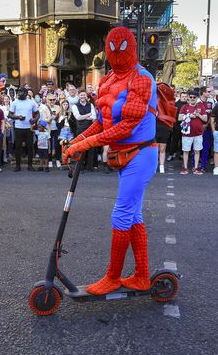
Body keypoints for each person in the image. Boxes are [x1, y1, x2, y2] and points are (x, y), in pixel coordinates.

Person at [63, 26, 158, 295]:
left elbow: (125, 127)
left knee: (121, 215)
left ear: (133, 47)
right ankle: (141, 275)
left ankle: (113, 277)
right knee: (133, 215)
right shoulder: (106, 81)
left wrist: (84, 144)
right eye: (112, 48)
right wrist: (74, 143)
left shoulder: (142, 79)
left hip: (141, 154)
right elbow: (102, 123)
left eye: (122, 48)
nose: (116, 54)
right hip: (122, 155)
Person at [8, 87, 38, 172]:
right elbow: (9, 115)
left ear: (26, 93)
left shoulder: (31, 103)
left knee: (30, 147)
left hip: (29, 128)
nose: (19, 94)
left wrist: (35, 119)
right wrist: (17, 117)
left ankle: (30, 165)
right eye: (18, 92)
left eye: (21, 92)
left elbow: (37, 113)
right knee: (18, 147)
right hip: (18, 128)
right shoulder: (15, 102)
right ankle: (18, 166)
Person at [178, 89, 206, 175]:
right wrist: (189, 115)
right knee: (186, 151)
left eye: (194, 97)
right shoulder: (184, 107)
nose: (192, 98)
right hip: (187, 134)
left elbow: (205, 119)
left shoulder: (201, 106)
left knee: (197, 151)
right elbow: (179, 118)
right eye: (191, 97)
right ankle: (185, 168)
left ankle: (196, 168)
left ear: (197, 98)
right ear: (188, 98)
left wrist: (199, 115)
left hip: (198, 133)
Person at [71, 91, 97, 172]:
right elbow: (78, 117)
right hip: (80, 129)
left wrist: (85, 116)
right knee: (81, 148)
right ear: (79, 96)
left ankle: (90, 166)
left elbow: (94, 117)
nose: (83, 96)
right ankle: (81, 166)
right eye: (81, 95)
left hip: (90, 129)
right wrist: (89, 115)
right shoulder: (75, 106)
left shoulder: (91, 105)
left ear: (86, 96)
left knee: (91, 147)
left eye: (84, 95)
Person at [39, 93, 61, 168]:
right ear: (47, 100)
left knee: (58, 145)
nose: (52, 101)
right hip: (49, 129)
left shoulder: (58, 107)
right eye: (50, 100)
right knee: (49, 145)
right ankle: (50, 161)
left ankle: (58, 160)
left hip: (57, 129)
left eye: (54, 99)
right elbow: (45, 120)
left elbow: (60, 117)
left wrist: (56, 117)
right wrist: (52, 117)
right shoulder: (44, 108)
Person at [198, 86, 213, 171]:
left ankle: (203, 165)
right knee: (196, 148)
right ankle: (194, 164)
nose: (209, 93)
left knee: (206, 148)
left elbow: (212, 116)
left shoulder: (211, 102)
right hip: (197, 129)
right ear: (203, 92)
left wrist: (206, 124)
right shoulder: (197, 101)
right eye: (208, 91)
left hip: (207, 128)